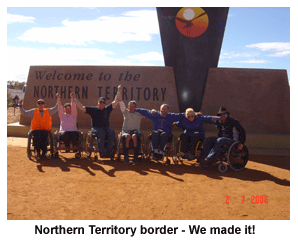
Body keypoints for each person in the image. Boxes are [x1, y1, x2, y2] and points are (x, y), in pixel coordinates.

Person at [74, 85, 122, 158]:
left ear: (105, 103)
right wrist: (74, 99)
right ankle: (102, 152)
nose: (102, 103)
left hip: (106, 128)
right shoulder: (94, 110)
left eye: (103, 102)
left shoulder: (107, 109)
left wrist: (119, 90)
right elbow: (82, 107)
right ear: (98, 102)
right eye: (100, 102)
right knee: (101, 132)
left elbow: (115, 101)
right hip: (96, 128)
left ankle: (109, 151)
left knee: (112, 132)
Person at [119, 99, 143, 164]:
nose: (132, 108)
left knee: (134, 136)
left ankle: (135, 158)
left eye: (133, 106)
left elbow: (148, 113)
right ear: (128, 107)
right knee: (128, 136)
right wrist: (119, 91)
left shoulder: (139, 114)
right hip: (126, 132)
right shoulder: (125, 112)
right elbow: (121, 103)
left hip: (136, 132)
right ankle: (126, 158)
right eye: (130, 106)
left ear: (135, 107)